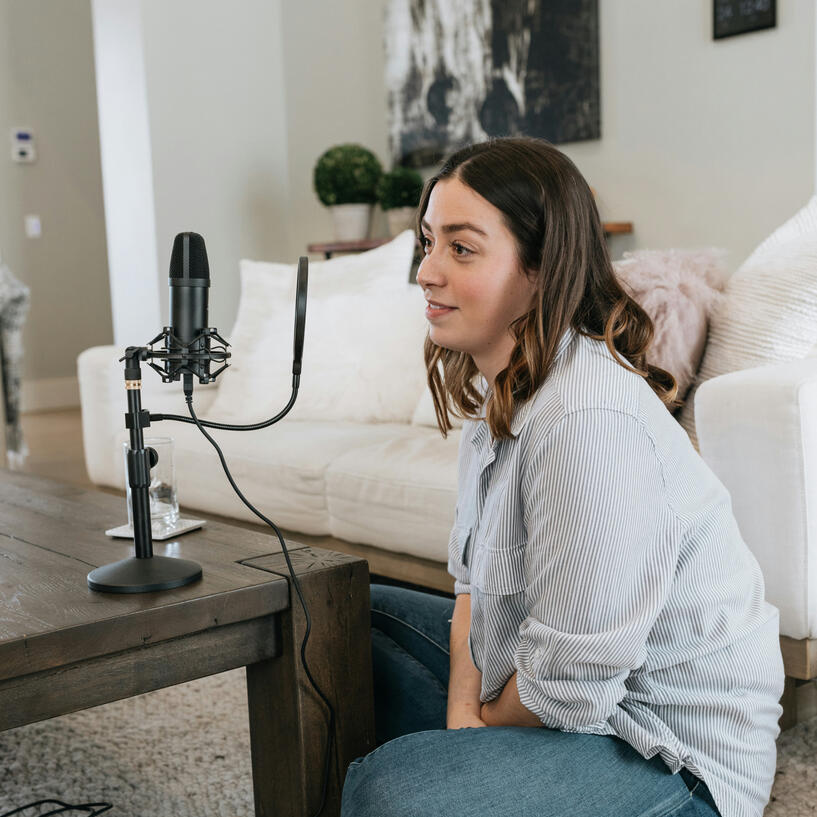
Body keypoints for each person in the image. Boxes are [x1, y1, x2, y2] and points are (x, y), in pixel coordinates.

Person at [340, 137, 784, 817]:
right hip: (568, 704)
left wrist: (473, 737)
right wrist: (465, 724)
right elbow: (471, 590)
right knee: (343, 618)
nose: (425, 272)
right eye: (428, 242)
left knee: (389, 792)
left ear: (540, 269)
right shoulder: (502, 395)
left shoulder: (588, 420)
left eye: (461, 248)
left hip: (669, 754)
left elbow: (572, 682)